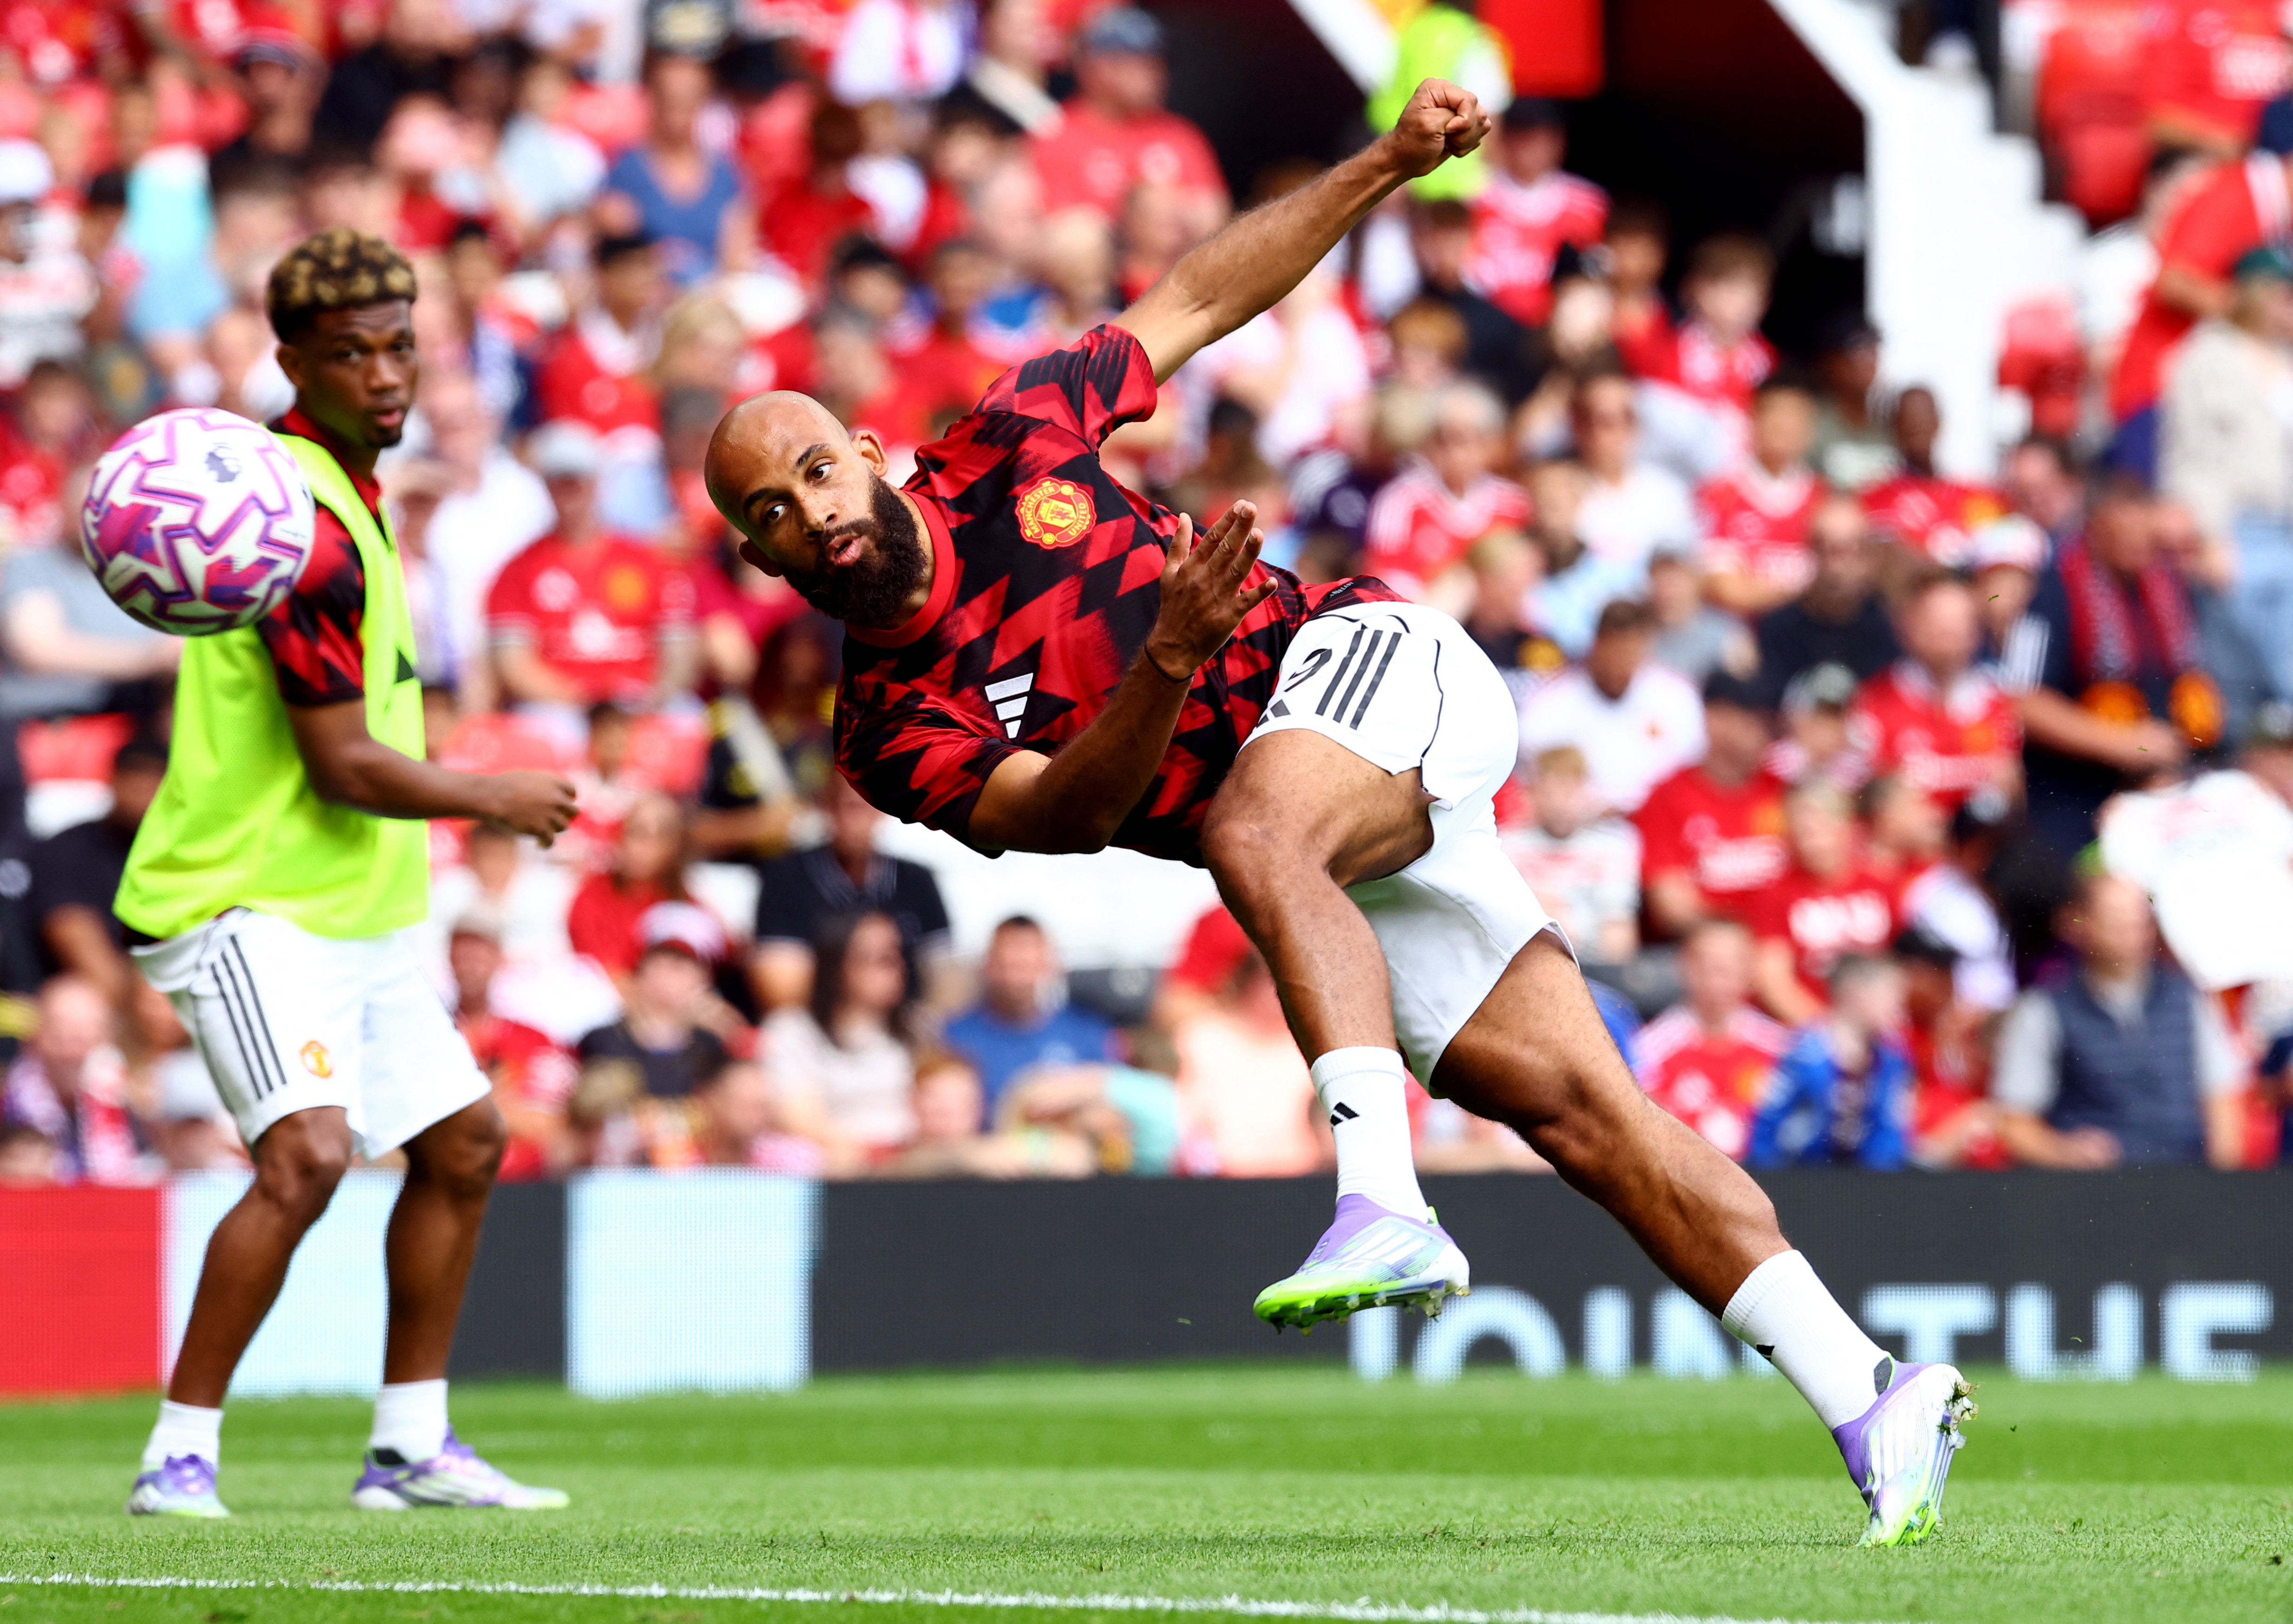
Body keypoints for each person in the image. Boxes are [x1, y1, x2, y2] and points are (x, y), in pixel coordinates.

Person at [704, 80, 1970, 1546]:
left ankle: (1380, 1194)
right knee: (1579, 1114)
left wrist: (1381, 162)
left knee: (1252, 829)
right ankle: (1869, 1386)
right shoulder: (883, 727)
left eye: (812, 469)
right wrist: (1167, 659)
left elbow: (1192, 291)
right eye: (770, 514)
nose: (809, 511)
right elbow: (1065, 815)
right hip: (1325, 840)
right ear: (758, 553)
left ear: (863, 445)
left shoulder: (1004, 441)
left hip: (1365, 660)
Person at [113, 229, 577, 1519]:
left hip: (349, 906)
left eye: (398, 345)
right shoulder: (299, 523)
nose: (384, 375)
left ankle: (408, 1447)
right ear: (290, 363)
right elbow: (341, 764)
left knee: (468, 1145)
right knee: (308, 1155)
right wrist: (495, 790)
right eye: (349, 354)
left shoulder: (346, 486)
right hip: (244, 899)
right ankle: (179, 1452)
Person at [2000, 469, 2224, 855]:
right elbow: (2020, 700)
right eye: (2125, 536)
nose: (2138, 549)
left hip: (2171, 776)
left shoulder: (2167, 586)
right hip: (2081, 790)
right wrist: (2120, 744)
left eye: (2145, 538)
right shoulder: (2050, 593)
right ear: (2095, 530)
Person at [1990, 871, 2244, 1168]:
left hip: (2185, 1181)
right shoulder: (2044, 1009)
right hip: (2095, 1194)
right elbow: (2014, 1121)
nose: (2130, 931)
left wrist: (2222, 1188)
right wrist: (2064, 1152)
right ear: (2079, 922)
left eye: (2139, 920)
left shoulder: (2188, 1000)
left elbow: (2223, 1101)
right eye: (2115, 920)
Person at [484, 421, 698, 718]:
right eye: (559, 482)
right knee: (543, 727)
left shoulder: (650, 562)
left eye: (578, 480)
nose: (570, 492)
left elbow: (678, 648)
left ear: (598, 482)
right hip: (561, 708)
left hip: (640, 703)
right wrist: (582, 704)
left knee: (686, 719)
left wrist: (653, 700)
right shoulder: (518, 571)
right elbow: (514, 663)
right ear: (546, 487)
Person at [750, 774, 953, 1011]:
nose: (856, 820)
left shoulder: (916, 879)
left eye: (867, 807)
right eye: (848, 807)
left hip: (903, 1026)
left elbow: (948, 981)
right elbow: (779, 991)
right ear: (826, 808)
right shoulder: (786, 876)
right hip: (818, 1030)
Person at [1029, 7, 1225, 235]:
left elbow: (1215, 216)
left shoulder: (1181, 134)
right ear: (1096, 67)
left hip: (1178, 263)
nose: (1156, 74)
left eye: (1157, 61)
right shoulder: (1056, 134)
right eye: (1139, 62)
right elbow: (1058, 225)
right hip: (1106, 265)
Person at [1634, 669, 1792, 939]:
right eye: (1755, 720)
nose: (1768, 732)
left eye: (1771, 721)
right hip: (1705, 950)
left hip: (1781, 946)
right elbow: (1672, 908)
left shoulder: (1783, 790)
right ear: (1714, 719)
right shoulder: (1666, 799)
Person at [1850, 570, 2023, 815]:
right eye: (1936, 622)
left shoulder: (1998, 704)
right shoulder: (1873, 703)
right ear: (1907, 625)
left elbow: (2010, 791)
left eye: (1959, 622)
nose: (1948, 634)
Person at [1516, 598, 1704, 816]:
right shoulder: (1550, 703)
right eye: (1613, 650)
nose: (1619, 664)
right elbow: (1534, 780)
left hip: (1660, 821)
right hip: (1576, 828)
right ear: (1596, 646)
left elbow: (1693, 771)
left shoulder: (1678, 697)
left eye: (1629, 653)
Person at [764, 910, 921, 1158]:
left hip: (912, 1163)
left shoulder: (918, 1029)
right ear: (837, 964)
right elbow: (797, 1116)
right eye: (881, 959)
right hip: (835, 1165)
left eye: (898, 955)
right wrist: (870, 1154)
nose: (897, 968)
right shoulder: (792, 1030)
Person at [1361, 379, 1531, 602]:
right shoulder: (1402, 500)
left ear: (1490, 444)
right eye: (1442, 439)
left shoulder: (1512, 502)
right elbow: (1383, 579)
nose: (1451, 451)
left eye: (1461, 440)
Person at [1633, 919, 1789, 1162]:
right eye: (1708, 967)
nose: (1720, 980)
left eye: (1732, 967)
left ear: (1750, 969)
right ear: (1684, 968)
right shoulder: (1648, 1049)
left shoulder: (1783, 1048)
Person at [1750, 783, 1900, 1027]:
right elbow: (1774, 982)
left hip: (1881, 1023)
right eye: (1801, 831)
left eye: (1819, 827)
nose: (1810, 840)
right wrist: (1829, 1031)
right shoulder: (1775, 894)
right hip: (1814, 1028)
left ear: (1845, 827)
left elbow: (1899, 962)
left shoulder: (1880, 884)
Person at [1747, 953, 1915, 1170]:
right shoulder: (1803, 1055)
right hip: (1798, 1177)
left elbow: (1891, 1131)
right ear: (1854, 993)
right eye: (1890, 995)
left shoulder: (1892, 1058)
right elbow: (1767, 1125)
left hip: (1864, 1184)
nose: (1898, 1008)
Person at [942, 915, 1116, 1112]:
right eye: (1008, 965)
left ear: (1050, 965)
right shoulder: (955, 1038)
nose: (1017, 978)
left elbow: (1113, 1103)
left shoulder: (1087, 1032)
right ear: (988, 965)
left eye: (1026, 966)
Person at [1463, 98, 1606, 330]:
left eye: (1541, 137)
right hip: (1487, 327)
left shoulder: (1590, 204)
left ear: (1559, 141)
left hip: (1557, 332)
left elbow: (1600, 277)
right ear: (1504, 140)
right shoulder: (1473, 198)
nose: (1530, 146)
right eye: (1521, 136)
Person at [1697, 376, 1825, 616]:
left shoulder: (1825, 500)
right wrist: (1798, 593)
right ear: (1753, 421)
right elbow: (1724, 588)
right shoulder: (1719, 494)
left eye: (1794, 416)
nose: (1784, 425)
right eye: (1775, 414)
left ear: (1810, 429)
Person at [1503, 744, 1639, 968]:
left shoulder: (1614, 846)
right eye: (1549, 792)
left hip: (1598, 963)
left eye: (1569, 792)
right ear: (1531, 793)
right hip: (1527, 958)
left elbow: (1619, 927)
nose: (1559, 804)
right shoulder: (1506, 845)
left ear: (1588, 791)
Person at [0, 974, 144, 1185]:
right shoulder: (7, 1105)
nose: (71, 1054)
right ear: (35, 1037)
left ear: (108, 1043)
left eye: (83, 1040)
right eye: (60, 1038)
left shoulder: (136, 1106)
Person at [1752, 493, 1897, 688]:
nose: (1835, 567)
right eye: (1826, 550)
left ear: (1869, 557)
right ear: (1809, 551)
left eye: (1848, 552)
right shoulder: (1778, 629)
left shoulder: (1890, 630)